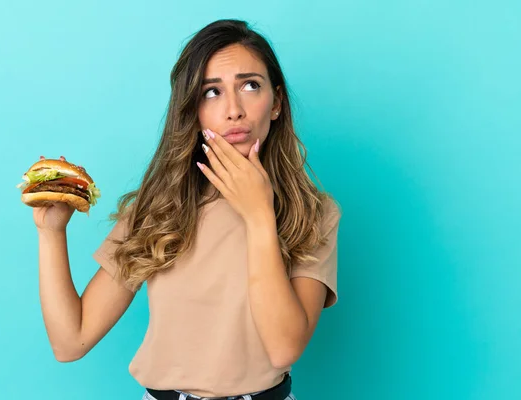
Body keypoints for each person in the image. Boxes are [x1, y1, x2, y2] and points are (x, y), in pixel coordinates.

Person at [33, 19, 342, 400]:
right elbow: (71, 342)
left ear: (276, 102)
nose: (234, 110)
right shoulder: (157, 209)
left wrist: (260, 215)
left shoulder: (314, 213)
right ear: (193, 110)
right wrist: (51, 232)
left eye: (250, 86)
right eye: (211, 92)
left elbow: (284, 348)